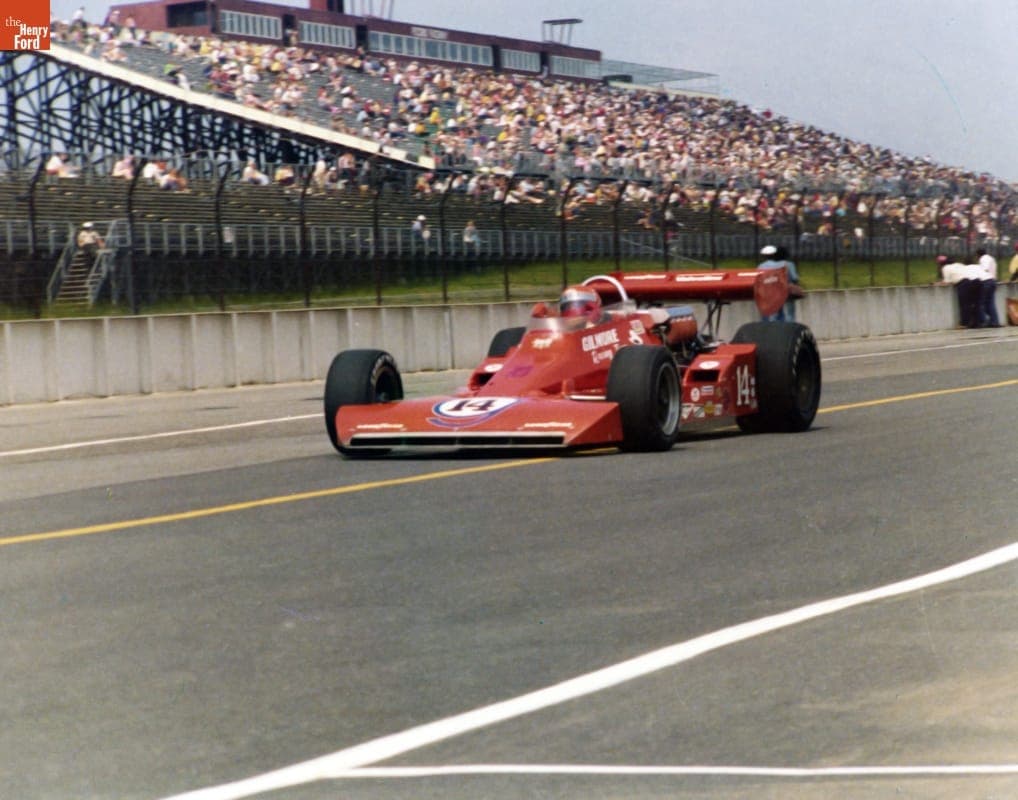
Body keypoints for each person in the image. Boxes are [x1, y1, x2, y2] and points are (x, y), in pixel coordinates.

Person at [937, 254, 982, 328]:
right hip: (973, 281)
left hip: (962, 284)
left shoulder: (945, 268)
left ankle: (964, 323)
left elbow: (947, 281)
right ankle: (975, 322)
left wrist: (938, 283)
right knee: (973, 303)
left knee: (964, 304)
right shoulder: (958, 264)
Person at [756, 244, 800, 321]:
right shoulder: (788, 264)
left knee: (773, 315)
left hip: (770, 293)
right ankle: (789, 330)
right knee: (789, 314)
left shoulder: (762, 265)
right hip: (786, 292)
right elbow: (795, 278)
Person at [975, 247, 1001, 328]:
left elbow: (984, 269)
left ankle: (983, 321)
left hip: (986, 281)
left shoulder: (983, 259)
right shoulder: (991, 258)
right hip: (993, 280)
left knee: (981, 303)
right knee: (991, 303)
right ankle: (994, 321)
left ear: (978, 255)